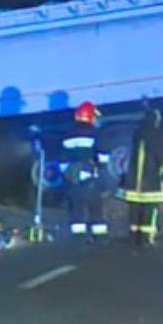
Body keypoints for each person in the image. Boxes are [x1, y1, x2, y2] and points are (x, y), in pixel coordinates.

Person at [123, 100, 163, 246]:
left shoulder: (137, 133)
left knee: (134, 209)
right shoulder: (156, 134)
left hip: (134, 182)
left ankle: (133, 236)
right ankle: (146, 239)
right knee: (149, 210)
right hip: (150, 180)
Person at [57, 101, 110, 238]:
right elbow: (103, 157)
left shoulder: (68, 134)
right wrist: (100, 169)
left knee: (76, 208)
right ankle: (100, 238)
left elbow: (62, 160)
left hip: (73, 178)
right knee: (96, 208)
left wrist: (70, 175)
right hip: (91, 176)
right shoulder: (95, 133)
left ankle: (78, 239)